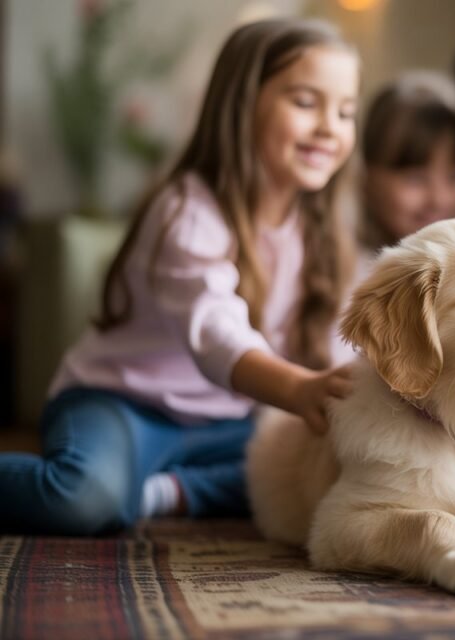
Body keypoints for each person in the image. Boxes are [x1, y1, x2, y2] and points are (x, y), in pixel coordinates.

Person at [0, 18, 361, 535]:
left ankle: (163, 492)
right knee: (83, 498)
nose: (331, 126)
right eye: (306, 103)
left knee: (334, 466)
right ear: (242, 107)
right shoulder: (187, 211)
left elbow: (334, 343)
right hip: (124, 405)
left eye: (346, 111)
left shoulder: (324, 228)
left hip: (230, 424)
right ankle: (127, 485)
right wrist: (302, 388)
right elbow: (216, 334)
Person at [355, 72, 455, 251]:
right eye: (416, 178)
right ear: (367, 175)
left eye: (454, 177)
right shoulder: (343, 268)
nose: (439, 199)